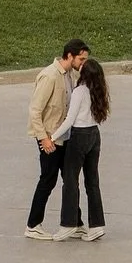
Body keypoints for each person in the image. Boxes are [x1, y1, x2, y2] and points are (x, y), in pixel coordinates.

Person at [24, 40, 90, 239]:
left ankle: (75, 223)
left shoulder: (71, 74)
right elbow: (35, 111)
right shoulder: (50, 76)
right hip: (50, 138)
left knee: (70, 179)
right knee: (48, 180)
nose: (83, 63)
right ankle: (33, 225)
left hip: (65, 137)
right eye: (81, 59)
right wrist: (44, 139)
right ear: (69, 56)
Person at [50, 56, 110, 242]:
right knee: (92, 182)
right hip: (94, 136)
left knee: (70, 180)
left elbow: (69, 120)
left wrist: (52, 137)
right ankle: (97, 225)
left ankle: (68, 224)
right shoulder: (97, 91)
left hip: (79, 137)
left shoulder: (80, 91)